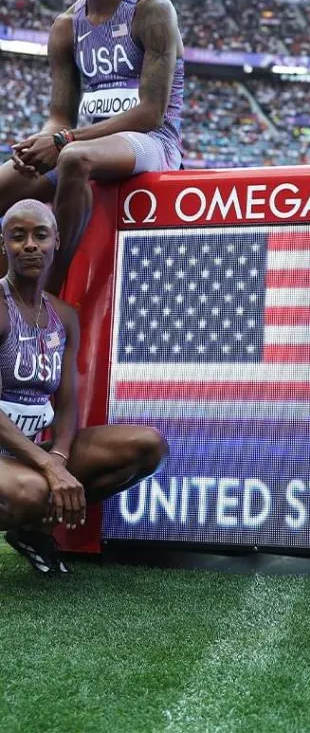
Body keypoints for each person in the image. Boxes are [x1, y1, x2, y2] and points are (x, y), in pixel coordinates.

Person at [0, 0, 185, 295]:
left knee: (73, 158)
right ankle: (10, 290)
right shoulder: (66, 25)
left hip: (151, 141)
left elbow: (151, 112)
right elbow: (59, 116)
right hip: (84, 138)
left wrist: (63, 140)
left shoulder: (151, 10)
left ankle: (47, 292)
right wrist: (40, 143)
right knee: (8, 179)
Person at [0, 198, 166, 575]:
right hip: (12, 456)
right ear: (3, 244)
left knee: (145, 446)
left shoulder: (63, 316)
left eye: (40, 235)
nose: (29, 245)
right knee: (35, 491)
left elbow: (68, 404)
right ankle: (31, 508)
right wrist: (48, 466)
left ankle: (35, 531)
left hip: (29, 454)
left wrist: (58, 457)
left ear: (56, 241)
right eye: (17, 236)